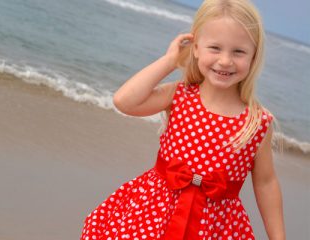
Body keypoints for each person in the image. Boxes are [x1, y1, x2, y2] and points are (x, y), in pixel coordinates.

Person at [80, 0, 285, 239]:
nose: (225, 60)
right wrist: (170, 61)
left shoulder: (257, 123)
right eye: (215, 48)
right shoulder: (179, 94)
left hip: (213, 227)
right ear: (196, 48)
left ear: (253, 56)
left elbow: (266, 183)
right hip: (153, 214)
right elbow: (124, 101)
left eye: (238, 51)